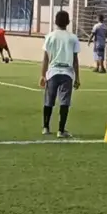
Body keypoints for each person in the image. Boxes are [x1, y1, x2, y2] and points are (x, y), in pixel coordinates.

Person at [40, 10, 80, 138]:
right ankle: (61, 130)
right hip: (67, 73)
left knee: (49, 100)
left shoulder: (50, 36)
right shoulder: (73, 38)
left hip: (53, 72)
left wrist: (42, 75)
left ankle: (46, 127)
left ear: (55, 21)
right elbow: (75, 60)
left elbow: (45, 58)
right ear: (68, 22)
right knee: (64, 101)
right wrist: (77, 77)